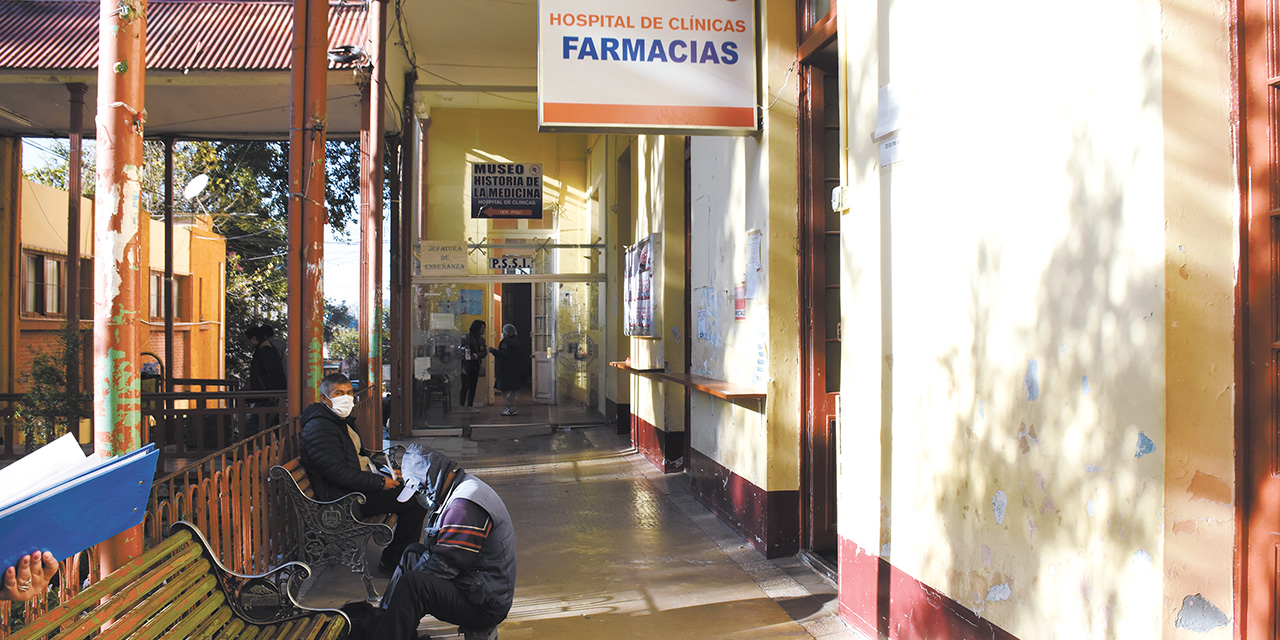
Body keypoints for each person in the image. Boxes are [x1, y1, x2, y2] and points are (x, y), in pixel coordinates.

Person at [373, 445, 516, 640]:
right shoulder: (460, 487)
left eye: (418, 490)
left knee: (414, 585)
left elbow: (445, 566)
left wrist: (407, 594)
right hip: (474, 584)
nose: (419, 496)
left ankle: (387, 634)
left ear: (429, 483)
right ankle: (385, 621)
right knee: (411, 554)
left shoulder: (463, 507)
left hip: (485, 604)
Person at [300, 373, 428, 575]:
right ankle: (394, 562)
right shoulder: (320, 427)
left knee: (412, 492)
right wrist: (379, 483)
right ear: (324, 399)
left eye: (349, 393)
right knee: (413, 503)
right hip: (343, 500)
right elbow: (339, 473)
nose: (346, 398)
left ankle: (401, 557)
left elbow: (359, 458)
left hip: (354, 489)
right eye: (339, 393)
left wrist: (387, 473)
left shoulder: (339, 421)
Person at [245, 324, 286, 437]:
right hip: (270, 393)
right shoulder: (268, 348)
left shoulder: (265, 350)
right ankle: (288, 448)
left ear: (254, 339)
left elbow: (272, 371)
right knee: (275, 424)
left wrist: (271, 392)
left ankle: (246, 452)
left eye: (249, 340)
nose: (248, 344)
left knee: (252, 427)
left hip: (267, 394)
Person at [489, 324, 522, 416]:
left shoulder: (507, 343)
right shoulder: (516, 342)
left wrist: (493, 351)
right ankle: (511, 408)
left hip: (506, 370)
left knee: (507, 391)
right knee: (511, 391)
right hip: (513, 370)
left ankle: (510, 409)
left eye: (504, 332)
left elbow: (503, 354)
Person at [458, 321, 489, 413]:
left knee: (473, 386)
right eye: (481, 328)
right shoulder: (465, 338)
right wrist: (465, 355)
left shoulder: (482, 340)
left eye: (484, 328)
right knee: (465, 385)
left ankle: (470, 405)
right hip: (465, 365)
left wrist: (476, 356)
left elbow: (484, 352)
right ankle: (462, 405)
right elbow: (458, 349)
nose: (483, 330)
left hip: (475, 365)